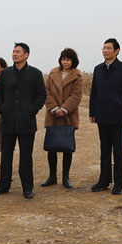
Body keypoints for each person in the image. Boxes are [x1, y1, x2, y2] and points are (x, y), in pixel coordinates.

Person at [0, 43, 46, 199]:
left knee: (26, 157)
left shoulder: (35, 73)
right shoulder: (5, 73)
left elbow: (41, 95)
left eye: (18, 52)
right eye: (13, 51)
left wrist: (32, 110)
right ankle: (3, 185)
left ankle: (27, 188)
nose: (14, 54)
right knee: (6, 156)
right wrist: (2, 109)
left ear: (26, 55)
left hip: (26, 122)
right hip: (7, 120)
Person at [88, 38, 122, 195]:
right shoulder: (98, 69)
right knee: (104, 149)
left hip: (117, 115)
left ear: (117, 51)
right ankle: (104, 180)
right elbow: (94, 92)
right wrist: (92, 112)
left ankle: (119, 182)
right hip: (101, 115)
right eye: (104, 48)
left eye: (108, 48)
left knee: (118, 150)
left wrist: (118, 103)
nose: (105, 51)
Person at [41, 48, 84, 189]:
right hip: (53, 115)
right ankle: (52, 176)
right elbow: (46, 92)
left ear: (73, 61)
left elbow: (76, 95)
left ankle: (66, 177)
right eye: (63, 59)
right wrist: (54, 108)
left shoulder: (77, 76)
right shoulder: (52, 73)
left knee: (67, 147)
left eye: (68, 59)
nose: (65, 62)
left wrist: (64, 109)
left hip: (68, 116)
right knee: (51, 147)